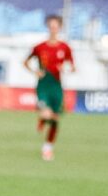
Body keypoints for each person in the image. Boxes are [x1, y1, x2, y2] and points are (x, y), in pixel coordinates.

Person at [25, 14, 75, 161]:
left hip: (56, 86)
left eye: (56, 26)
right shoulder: (40, 47)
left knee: (55, 119)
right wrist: (35, 71)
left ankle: (47, 148)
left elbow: (72, 67)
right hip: (43, 85)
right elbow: (25, 62)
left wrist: (66, 68)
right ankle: (43, 118)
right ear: (48, 27)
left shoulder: (65, 48)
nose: (53, 29)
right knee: (46, 113)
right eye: (51, 26)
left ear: (60, 28)